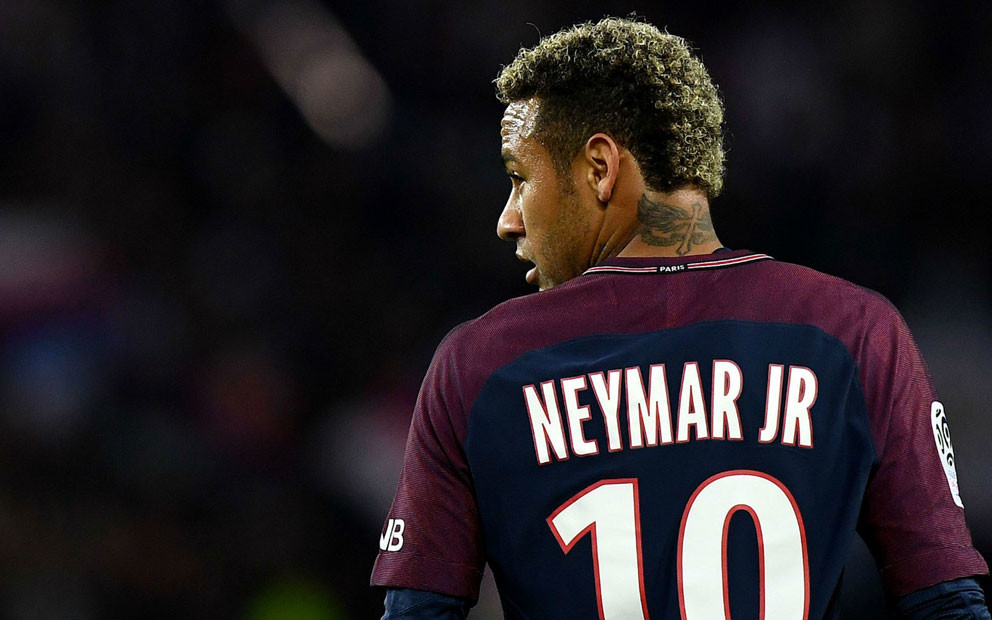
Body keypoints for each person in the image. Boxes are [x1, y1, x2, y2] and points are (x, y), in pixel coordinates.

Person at [370, 16, 989, 620]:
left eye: (518, 177)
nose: (508, 220)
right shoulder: (853, 332)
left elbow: (418, 613)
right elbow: (945, 601)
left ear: (600, 167)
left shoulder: (482, 364)